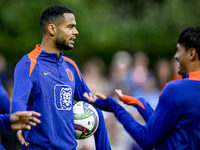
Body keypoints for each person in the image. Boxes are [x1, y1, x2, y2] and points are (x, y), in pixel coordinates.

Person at [11, 5, 111, 150]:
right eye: (70, 27)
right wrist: (19, 119)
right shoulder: (28, 64)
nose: (76, 32)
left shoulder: (71, 66)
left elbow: (95, 108)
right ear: (52, 29)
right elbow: (18, 102)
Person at [83, 26, 200, 149]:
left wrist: (115, 107)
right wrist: (141, 104)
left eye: (178, 50)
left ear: (191, 53)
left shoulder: (176, 89)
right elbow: (170, 132)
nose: (176, 56)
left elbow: (147, 139)